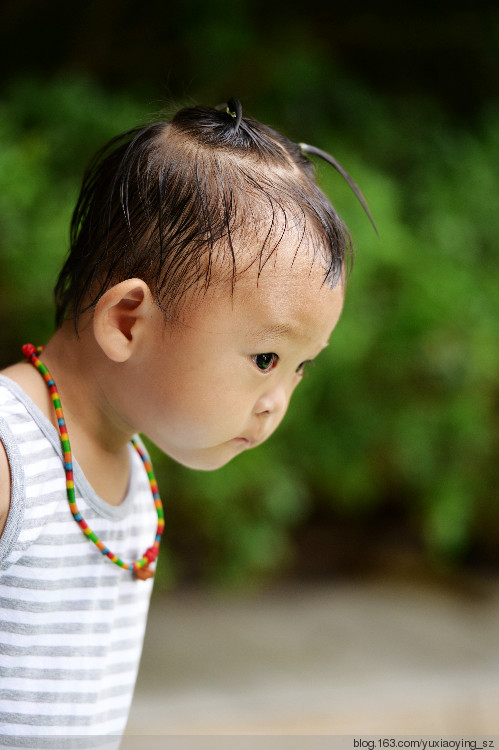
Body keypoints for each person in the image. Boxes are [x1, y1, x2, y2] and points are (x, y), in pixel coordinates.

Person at [0, 98, 373, 743]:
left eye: (299, 368)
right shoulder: (11, 456)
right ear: (128, 322)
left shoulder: (130, 465)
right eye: (265, 357)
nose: (277, 399)